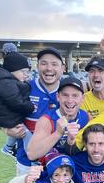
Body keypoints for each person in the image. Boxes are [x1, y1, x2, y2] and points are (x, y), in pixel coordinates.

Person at [14, 47, 65, 175]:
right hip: (27, 162)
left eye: (54, 64)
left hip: (60, 162)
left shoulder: (68, 91)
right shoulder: (25, 88)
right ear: (37, 66)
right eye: (44, 63)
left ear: (62, 68)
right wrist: (6, 129)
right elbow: (2, 111)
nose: (49, 68)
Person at [0, 53, 35, 158]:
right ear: (13, 71)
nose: (26, 75)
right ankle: (33, 157)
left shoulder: (4, 81)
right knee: (27, 135)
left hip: (4, 117)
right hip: (7, 118)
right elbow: (16, 102)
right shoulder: (7, 83)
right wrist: (31, 106)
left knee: (18, 128)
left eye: (28, 72)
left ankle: (8, 147)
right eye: (24, 72)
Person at [26, 77, 89, 161]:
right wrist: (58, 133)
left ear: (82, 98)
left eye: (75, 95)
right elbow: (32, 154)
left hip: (75, 167)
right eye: (65, 95)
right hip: (51, 170)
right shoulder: (47, 120)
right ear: (58, 97)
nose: (70, 100)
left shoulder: (85, 116)